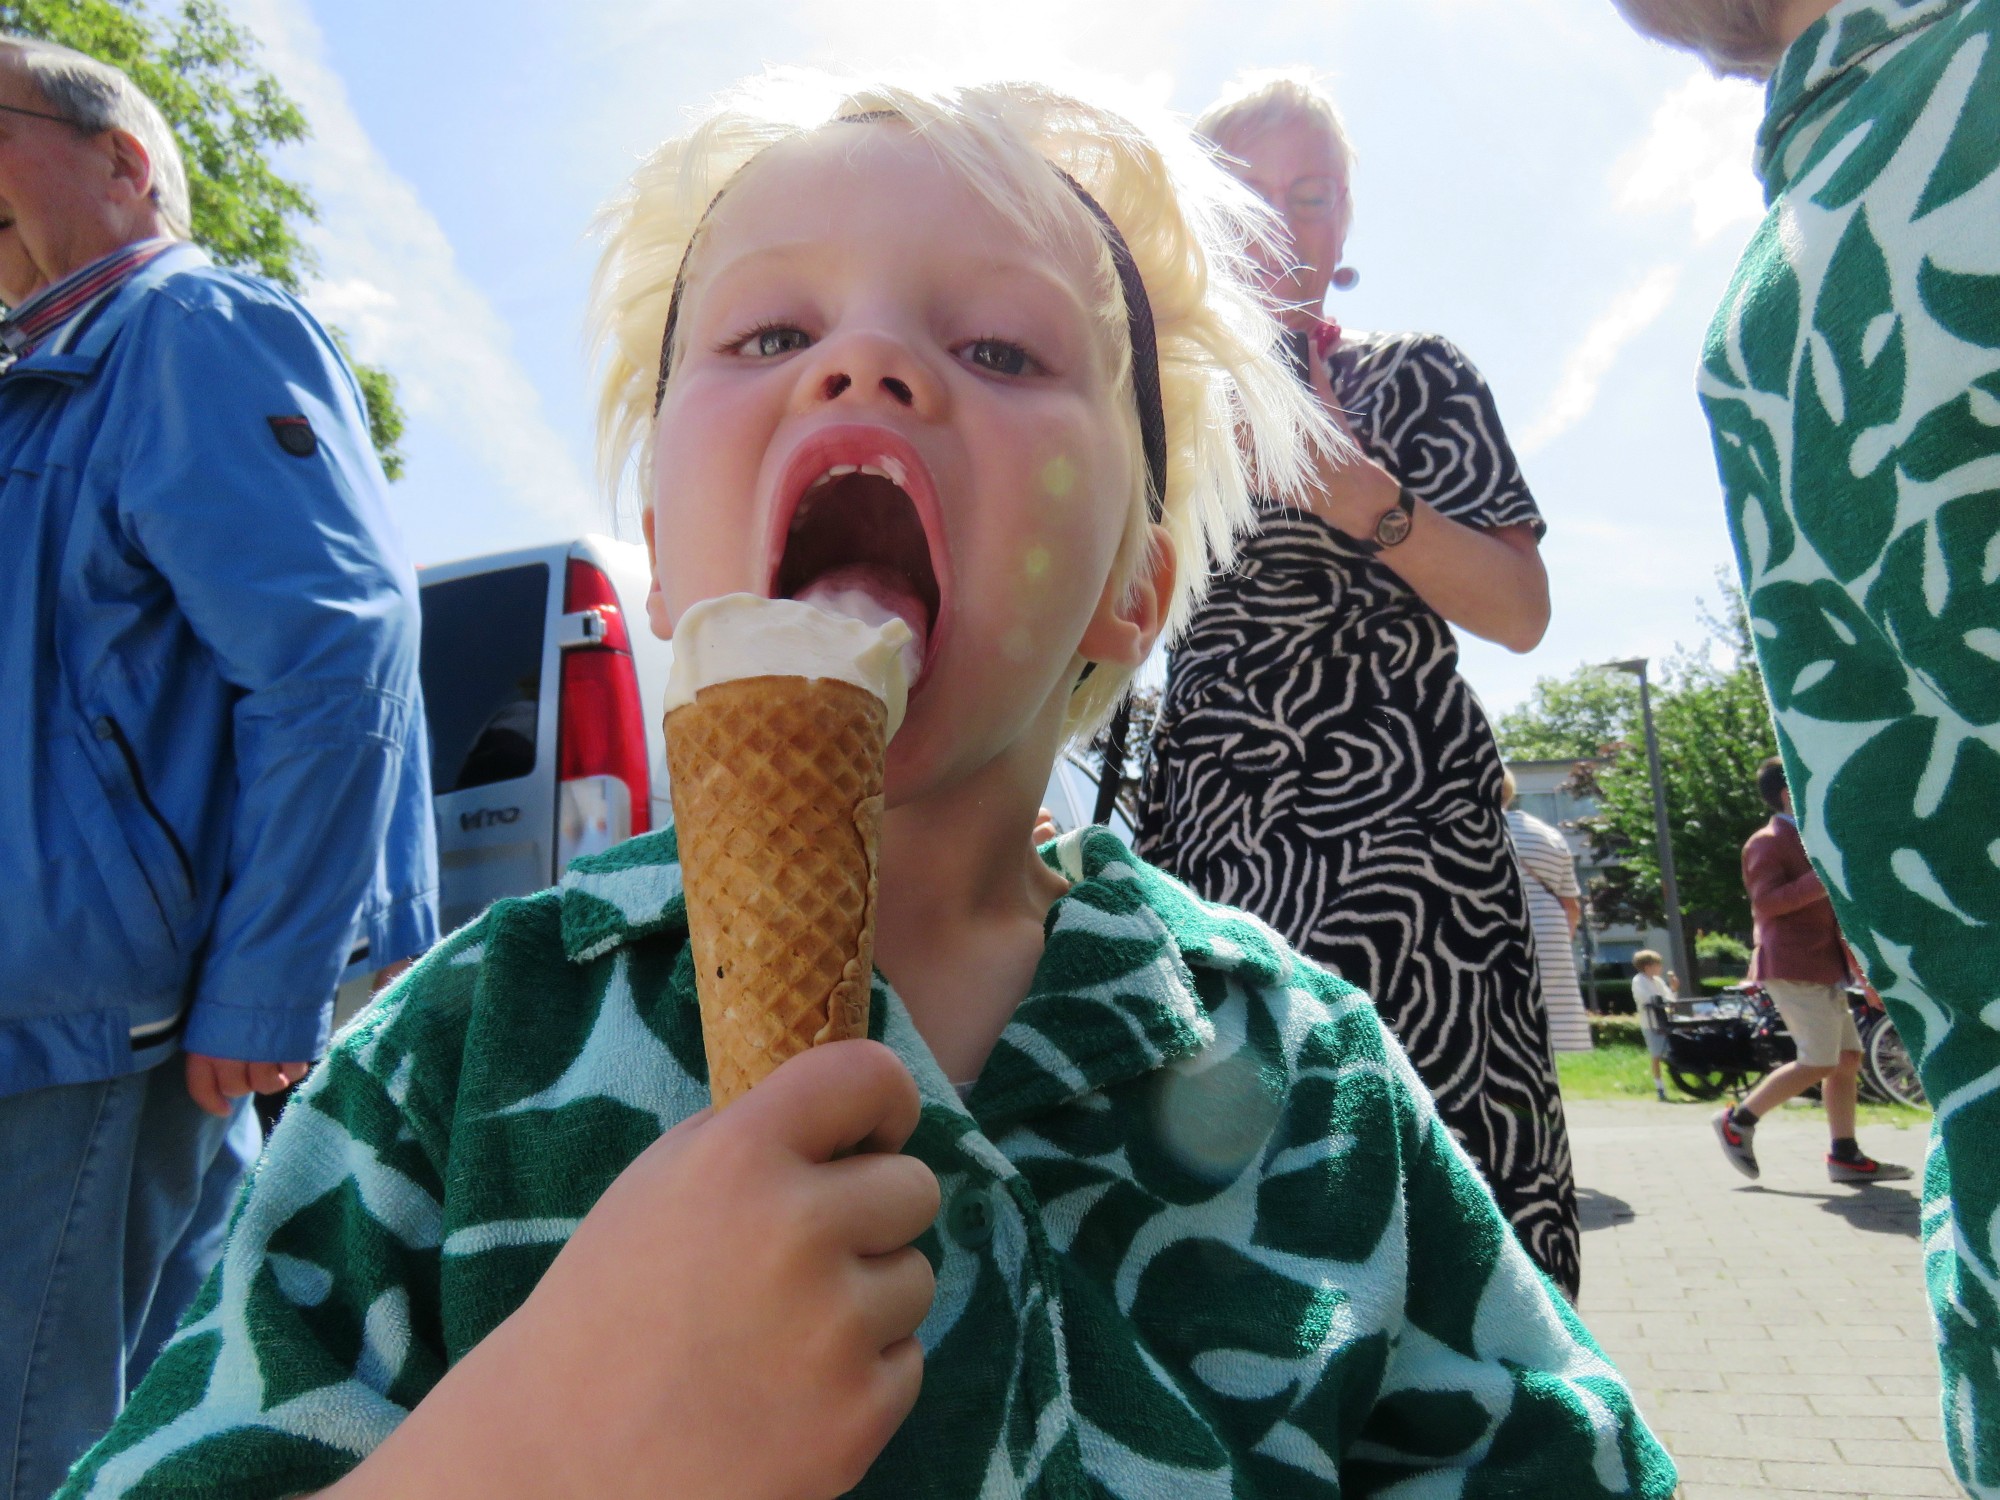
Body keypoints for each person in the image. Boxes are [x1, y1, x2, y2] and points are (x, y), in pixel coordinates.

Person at [58, 75, 1676, 1500]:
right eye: (770, 334)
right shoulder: (464, 1051)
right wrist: (529, 1456)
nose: (870, 370)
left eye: (997, 344)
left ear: (1132, 587)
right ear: (671, 565)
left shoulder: (1305, 1072)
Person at [0, 36, 436, 1499]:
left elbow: (335, 647)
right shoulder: (47, 373)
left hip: (97, 1034)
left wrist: (267, 985)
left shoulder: (184, 323)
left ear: (125, 162)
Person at [1604, 0, 2000, 1481]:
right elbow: (1807, 865)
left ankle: (1815, 1142)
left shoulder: (1758, 322)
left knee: (1839, 1071)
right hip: (1811, 964)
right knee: (1817, 1061)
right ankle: (1766, 1131)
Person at [1134, 69, 1581, 1297]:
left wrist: (1349, 490)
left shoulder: (1413, 374)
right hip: (1219, 865)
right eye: (1246, 192)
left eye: (1312, 192)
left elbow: (1518, 609)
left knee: (1461, 1223)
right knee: (1252, 1239)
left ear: (1345, 224)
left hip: (1413, 869)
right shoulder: (1144, 415)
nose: (1281, 221)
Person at [1712, 759, 1911, 1181]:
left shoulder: (1809, 841)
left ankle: (1845, 1154)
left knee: (1847, 1058)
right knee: (1820, 1060)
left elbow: (1836, 918)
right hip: (1791, 965)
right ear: (1789, 795)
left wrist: (1861, 975)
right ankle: (1738, 1121)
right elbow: (1766, 904)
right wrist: (1825, 873)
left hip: (1819, 967)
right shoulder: (1766, 842)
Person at [1503, 770, 1594, 1055]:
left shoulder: (1476, 831)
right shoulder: (1548, 835)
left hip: (1506, 931)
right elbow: (1572, 905)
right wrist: (1561, 943)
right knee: (1556, 1019)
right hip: (1552, 931)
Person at [1631, 951, 1676, 1102]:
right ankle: (1660, 1088)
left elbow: (1669, 998)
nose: (1660, 967)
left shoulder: (1658, 981)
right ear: (1648, 966)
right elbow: (1646, 998)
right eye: (1658, 964)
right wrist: (1663, 999)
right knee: (1656, 1055)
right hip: (1650, 1023)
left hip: (1664, 1021)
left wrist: (1673, 989)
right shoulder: (1638, 981)